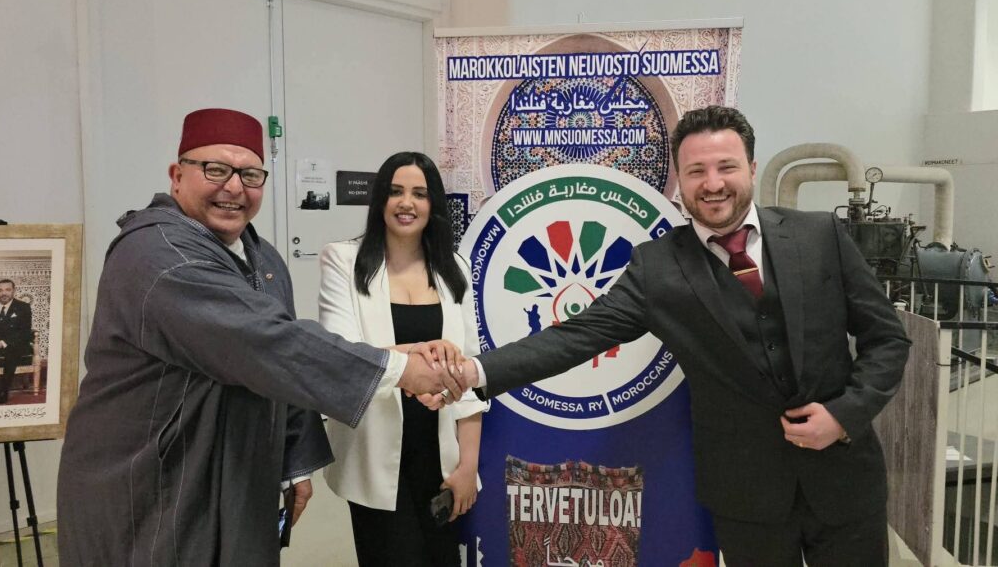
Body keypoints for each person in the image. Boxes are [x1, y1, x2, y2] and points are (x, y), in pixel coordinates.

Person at [445, 106, 910, 566]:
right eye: (696, 171)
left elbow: (887, 339)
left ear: (751, 168)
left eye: (726, 166)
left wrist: (844, 414)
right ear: (680, 182)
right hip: (746, 497)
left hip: (846, 481)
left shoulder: (820, 235)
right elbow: (577, 336)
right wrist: (472, 372)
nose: (713, 183)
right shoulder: (657, 268)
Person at [57, 108, 465, 566]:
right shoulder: (159, 255)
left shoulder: (263, 259)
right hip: (154, 474)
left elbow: (281, 369)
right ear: (177, 175)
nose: (234, 187)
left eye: (250, 175)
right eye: (215, 169)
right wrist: (401, 368)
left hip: (237, 468)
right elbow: (266, 343)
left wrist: (294, 461)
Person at [319, 151, 487, 566]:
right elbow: (342, 355)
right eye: (395, 192)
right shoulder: (343, 260)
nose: (406, 203)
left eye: (419, 194)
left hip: (440, 454)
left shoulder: (455, 268)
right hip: (373, 455)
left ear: (434, 205)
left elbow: (470, 375)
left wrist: (468, 466)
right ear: (380, 199)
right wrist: (416, 351)